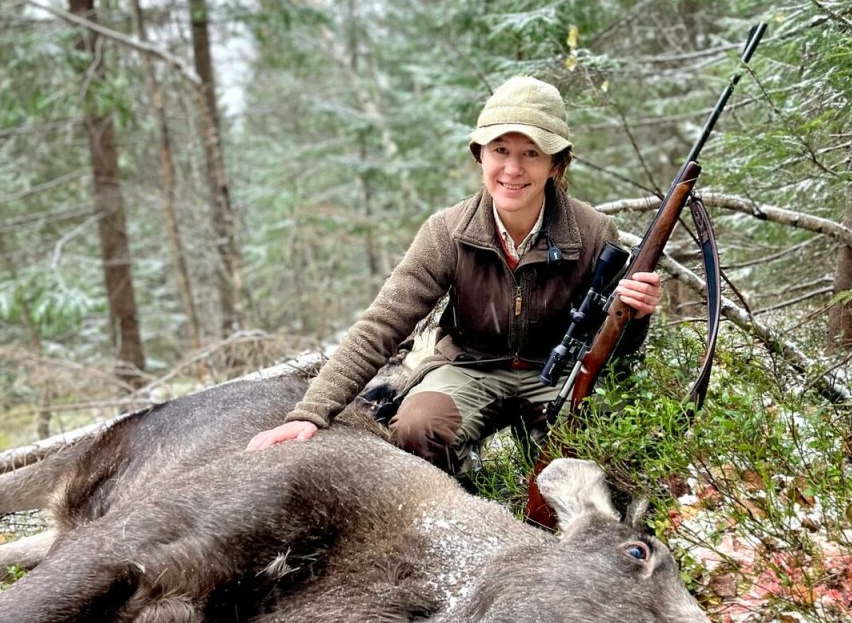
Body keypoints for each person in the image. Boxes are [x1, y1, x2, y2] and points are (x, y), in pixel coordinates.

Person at [247, 75, 661, 472]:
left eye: (531, 153)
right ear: (480, 155)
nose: (512, 170)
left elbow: (617, 345)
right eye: (500, 150)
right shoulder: (447, 232)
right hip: (469, 368)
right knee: (416, 430)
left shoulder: (593, 233)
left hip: (556, 374)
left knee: (597, 443)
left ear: (556, 164)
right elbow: (381, 325)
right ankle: (464, 496)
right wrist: (311, 413)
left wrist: (638, 315)